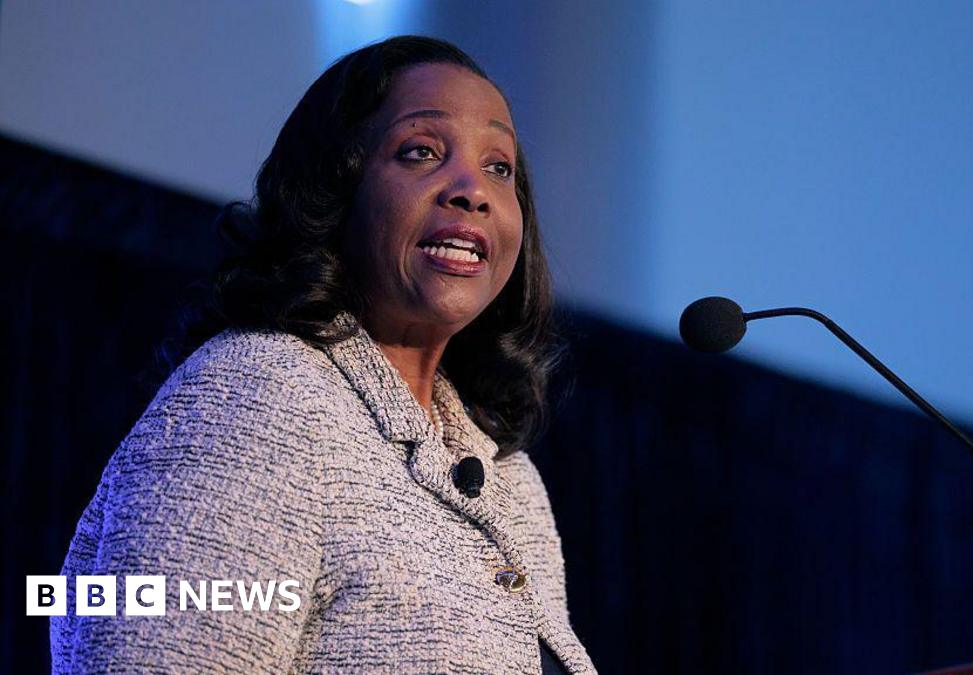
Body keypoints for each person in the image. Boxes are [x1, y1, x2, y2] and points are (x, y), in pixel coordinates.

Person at [50, 36, 595, 674]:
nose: (472, 191)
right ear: (335, 190)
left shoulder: (509, 481)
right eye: (421, 152)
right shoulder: (255, 398)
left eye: (499, 168)